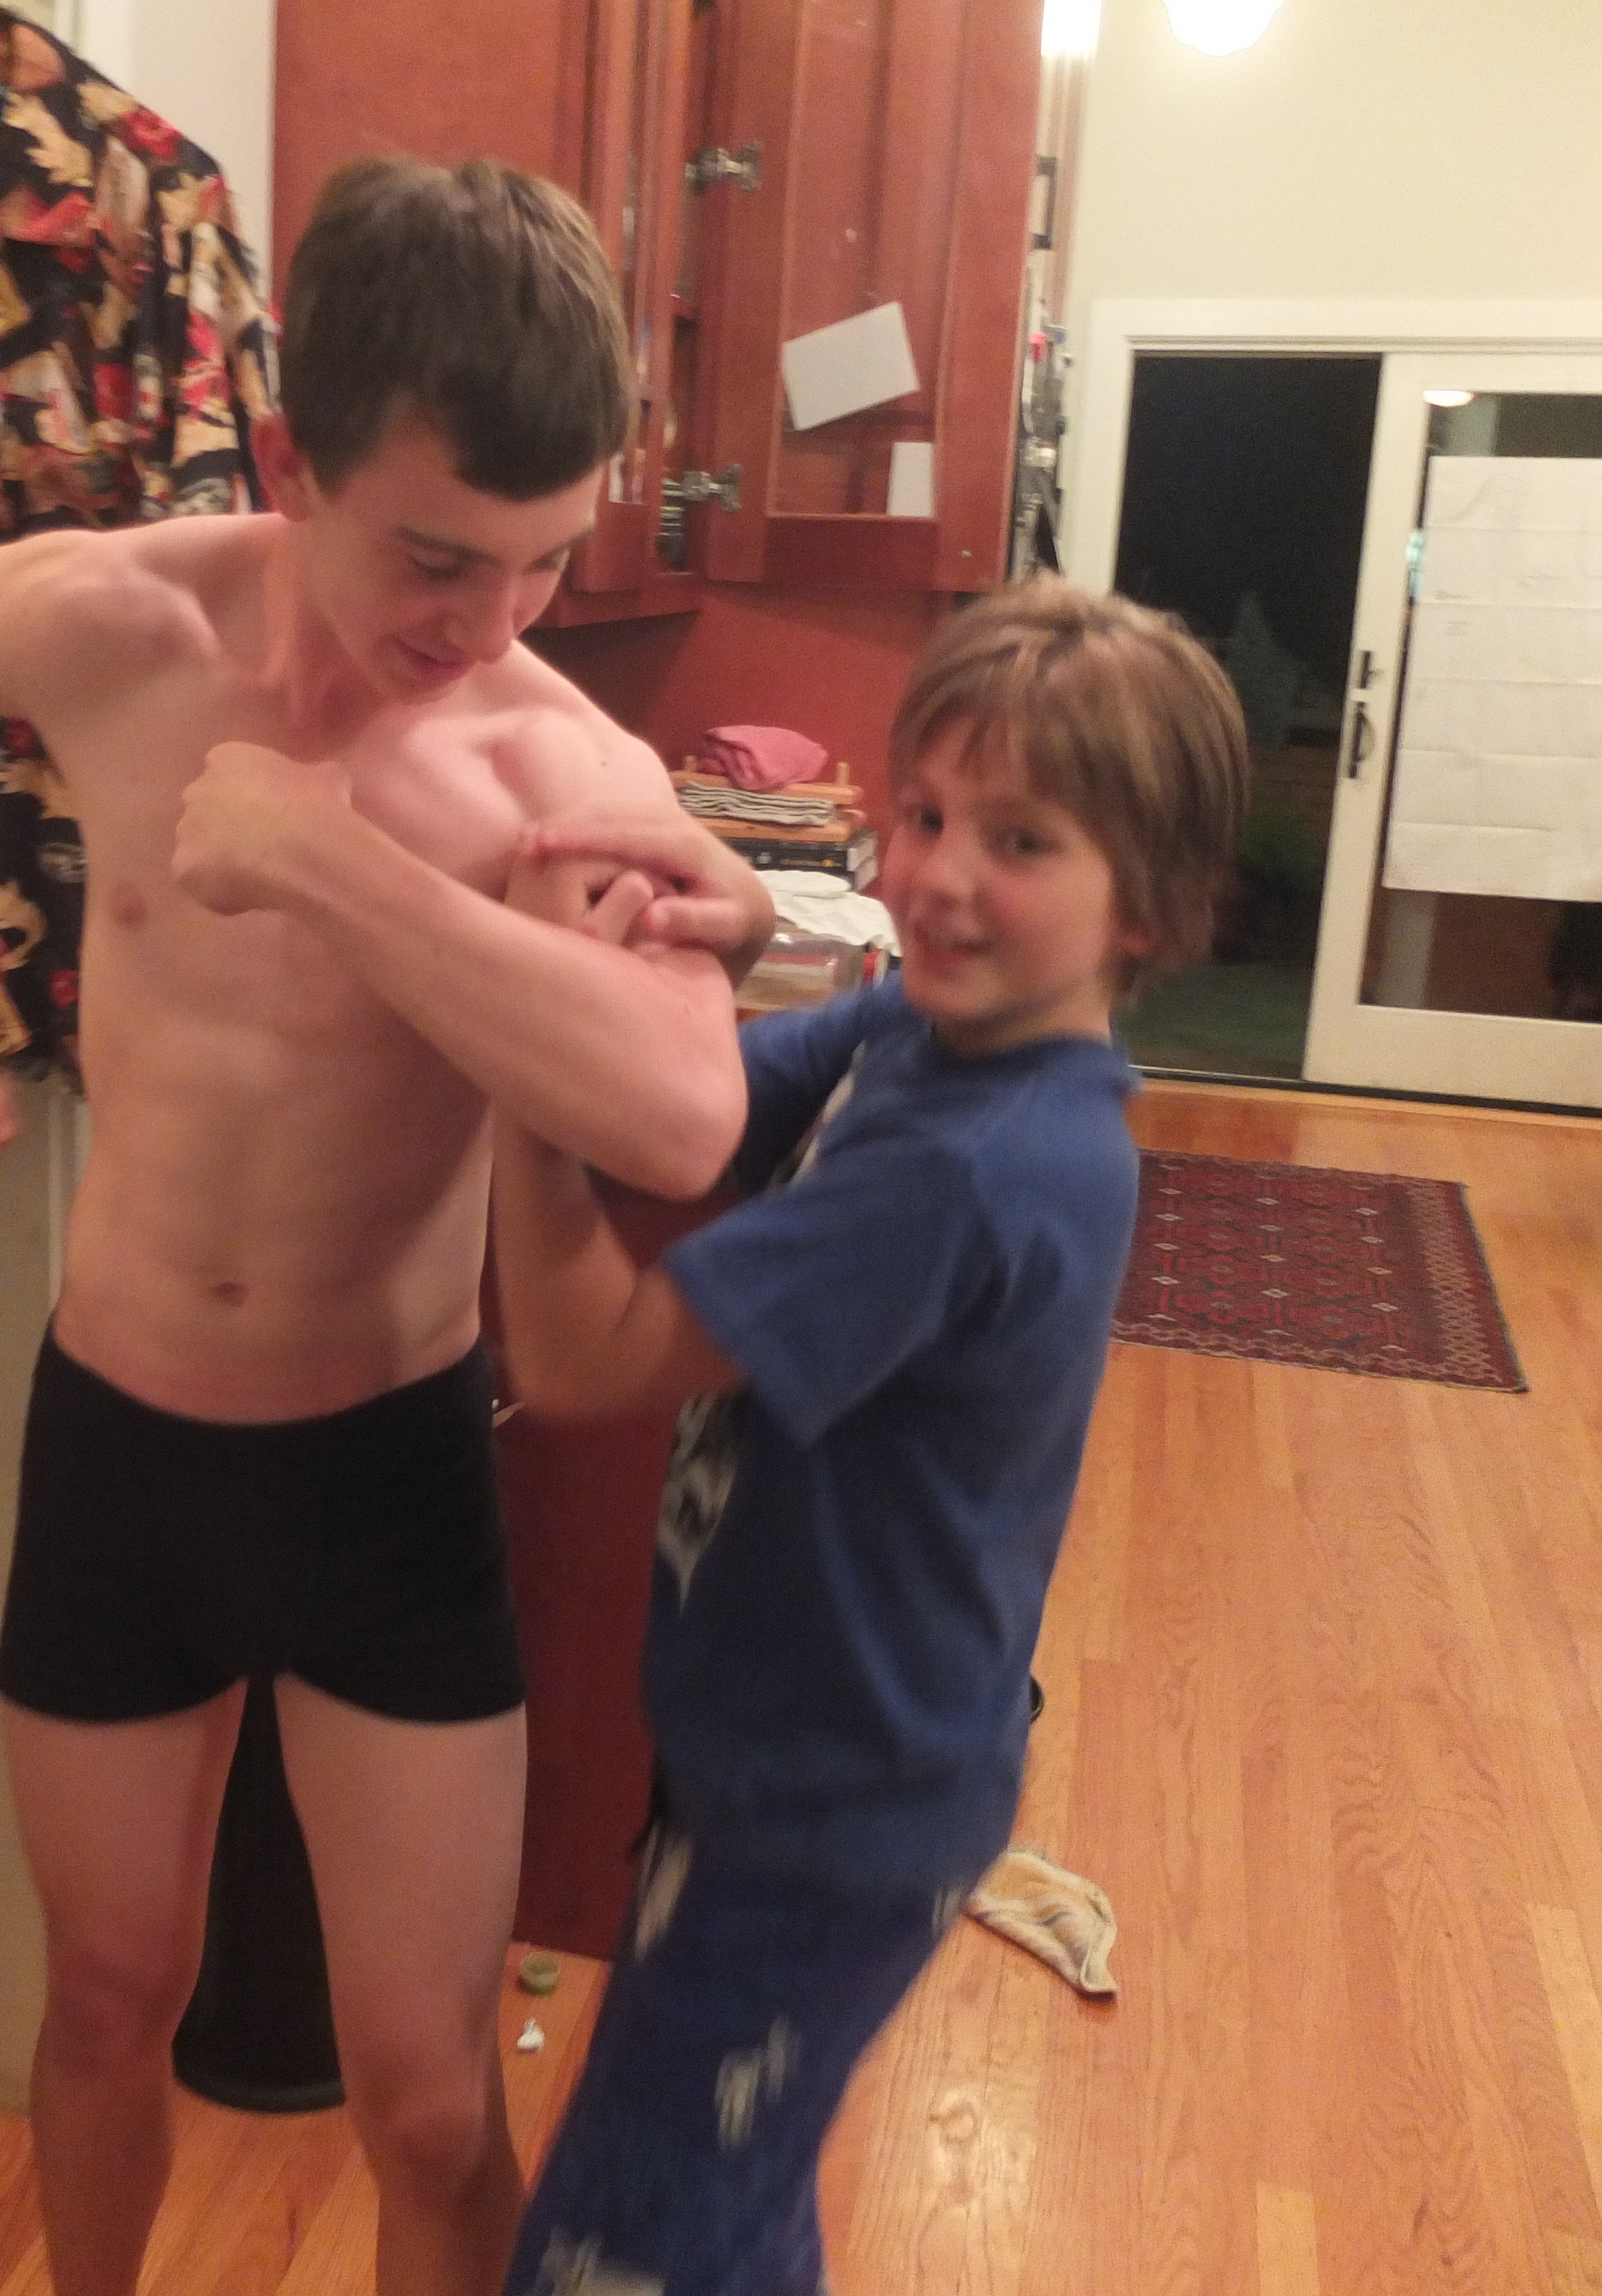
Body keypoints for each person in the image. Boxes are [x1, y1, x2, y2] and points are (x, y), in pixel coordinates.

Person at [0, 156, 775, 2296]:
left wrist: (326, 861)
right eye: (438, 555)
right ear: (291, 454)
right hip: (119, 1446)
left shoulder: (553, 764)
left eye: (543, 559)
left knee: (425, 2101)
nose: (490, 622)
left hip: (384, 1476)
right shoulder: (114, 629)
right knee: (104, 2003)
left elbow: (684, 1108)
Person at [488, 579, 1247, 2296]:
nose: (936, 875)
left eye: (1020, 840)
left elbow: (581, 1355)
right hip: (815, 1755)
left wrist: (516, 1077)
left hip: (823, 1812)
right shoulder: (932, 1032)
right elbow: (700, 1125)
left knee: (623, 2233)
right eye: (923, 814)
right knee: (722, 2193)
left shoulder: (968, 1166)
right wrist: (711, 932)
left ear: (1149, 904)